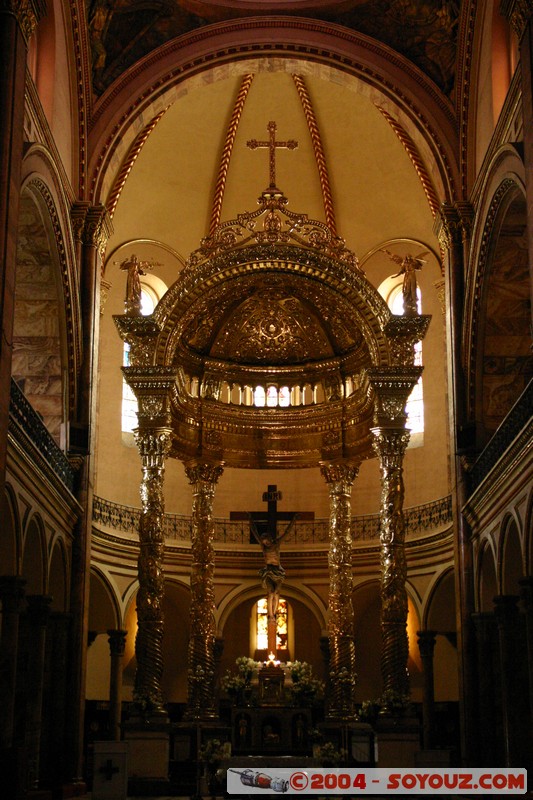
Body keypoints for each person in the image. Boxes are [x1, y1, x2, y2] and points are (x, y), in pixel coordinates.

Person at [250, 514, 298, 618]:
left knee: (276, 593)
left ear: (270, 539)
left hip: (278, 572)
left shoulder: (277, 544)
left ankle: (274, 614)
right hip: (268, 571)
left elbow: (287, 532)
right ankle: (270, 615)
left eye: (267, 541)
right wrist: (250, 519)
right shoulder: (263, 548)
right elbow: (255, 533)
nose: (266, 543)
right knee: (271, 592)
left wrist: (293, 520)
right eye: (264, 542)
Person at [381, 249, 428, 315]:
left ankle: (413, 301)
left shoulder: (413, 262)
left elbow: (419, 268)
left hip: (412, 275)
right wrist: (395, 276)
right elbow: (401, 270)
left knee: (413, 289)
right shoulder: (404, 263)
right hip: (407, 276)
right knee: (407, 289)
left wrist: (416, 262)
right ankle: (407, 301)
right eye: (407, 257)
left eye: (409, 257)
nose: (408, 258)